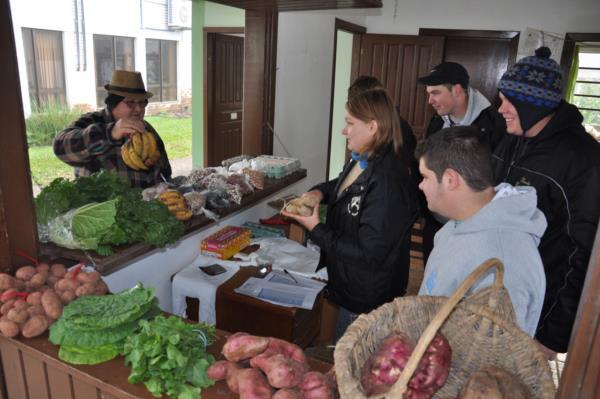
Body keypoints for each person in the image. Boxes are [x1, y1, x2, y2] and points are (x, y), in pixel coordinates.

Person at [282, 88, 419, 340]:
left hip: (367, 294)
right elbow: (344, 184)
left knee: (352, 359)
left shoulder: (387, 182)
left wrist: (315, 228)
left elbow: (369, 255)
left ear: (372, 127)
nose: (344, 130)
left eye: (349, 123)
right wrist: (318, 193)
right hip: (350, 282)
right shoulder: (364, 157)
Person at [493, 47, 600, 357]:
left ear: (532, 106)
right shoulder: (511, 140)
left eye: (507, 100)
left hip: (539, 312)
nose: (501, 109)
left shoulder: (582, 161)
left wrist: (553, 335)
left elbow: (583, 253)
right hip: (499, 295)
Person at [416, 125, 547, 336]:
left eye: (425, 176)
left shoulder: (505, 263)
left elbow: (494, 357)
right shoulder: (461, 220)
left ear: (450, 179)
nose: (421, 185)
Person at [417, 61, 506, 263]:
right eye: (429, 93)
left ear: (457, 90)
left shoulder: (493, 125)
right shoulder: (437, 121)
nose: (430, 100)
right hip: (435, 220)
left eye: (436, 93)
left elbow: (495, 177)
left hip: (473, 225)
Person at [54, 70, 172, 188]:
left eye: (142, 103)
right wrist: (111, 132)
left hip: (145, 203)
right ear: (113, 103)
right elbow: (60, 147)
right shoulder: (91, 121)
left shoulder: (146, 130)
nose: (138, 109)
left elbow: (166, 173)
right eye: (130, 103)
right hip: (102, 204)